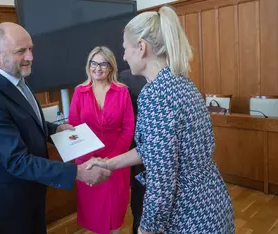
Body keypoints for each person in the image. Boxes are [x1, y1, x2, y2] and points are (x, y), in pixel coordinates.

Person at [87, 6, 235, 234]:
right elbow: (155, 150)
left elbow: (162, 180)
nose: (124, 56)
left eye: (125, 48)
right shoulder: (181, 82)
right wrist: (109, 164)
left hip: (190, 217)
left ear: (141, 47)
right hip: (213, 206)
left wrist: (146, 229)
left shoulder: (156, 95)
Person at [0, 22, 111, 234]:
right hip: (11, 199)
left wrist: (54, 131)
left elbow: (27, 122)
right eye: (21, 51)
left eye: (31, 49)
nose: (30, 57)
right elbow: (17, 160)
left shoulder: (17, 79)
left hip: (31, 188)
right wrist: (77, 172)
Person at [68, 46, 135, 234]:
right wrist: (91, 160)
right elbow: (74, 128)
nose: (98, 68)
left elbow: (128, 128)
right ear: (89, 66)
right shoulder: (79, 92)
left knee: (115, 216)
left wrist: (110, 161)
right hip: (87, 162)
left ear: (111, 67)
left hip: (116, 160)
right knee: (95, 215)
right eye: (94, 63)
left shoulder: (122, 92)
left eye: (103, 64)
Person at [118, 69, 147, 234]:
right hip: (136, 145)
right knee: (139, 192)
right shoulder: (125, 77)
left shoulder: (126, 77)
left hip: (141, 145)